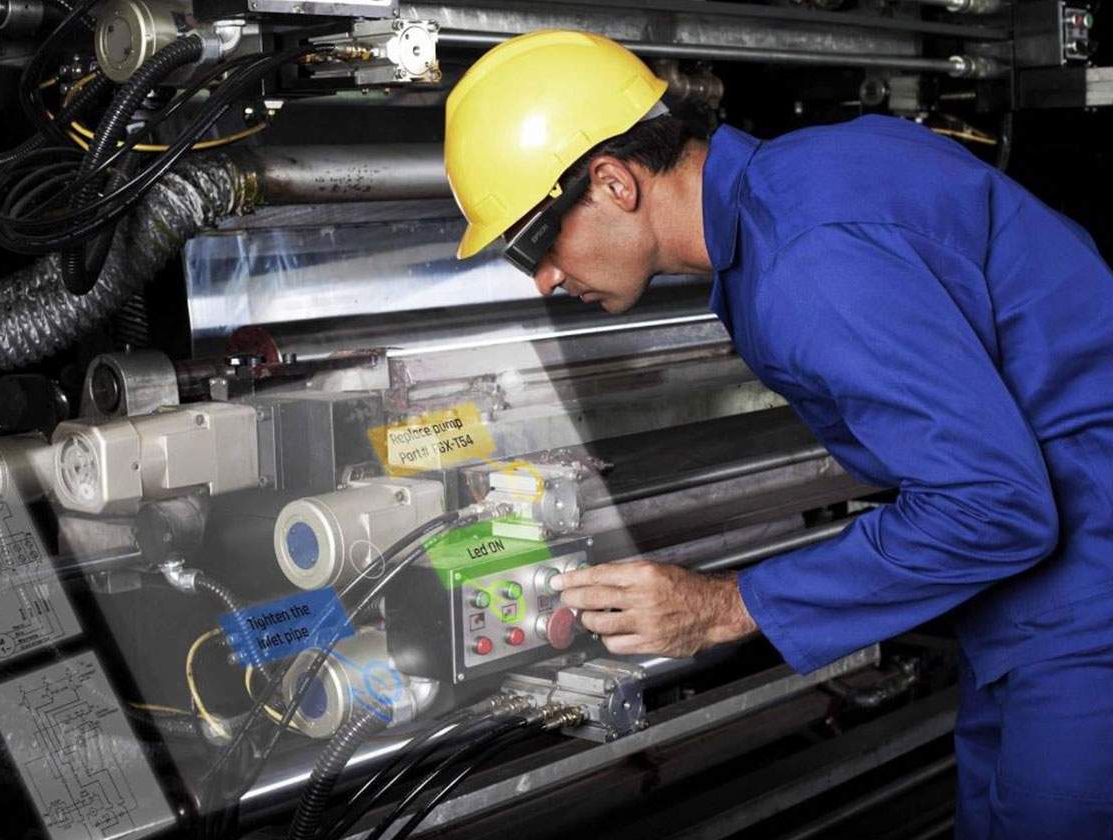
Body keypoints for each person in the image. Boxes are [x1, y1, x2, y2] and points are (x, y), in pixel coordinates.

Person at [443, 29, 1113, 837]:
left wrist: (725, 607)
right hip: (1034, 589)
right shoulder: (799, 187)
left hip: (1088, 584)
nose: (546, 279)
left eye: (533, 244)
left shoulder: (807, 261)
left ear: (615, 182)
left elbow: (994, 505)